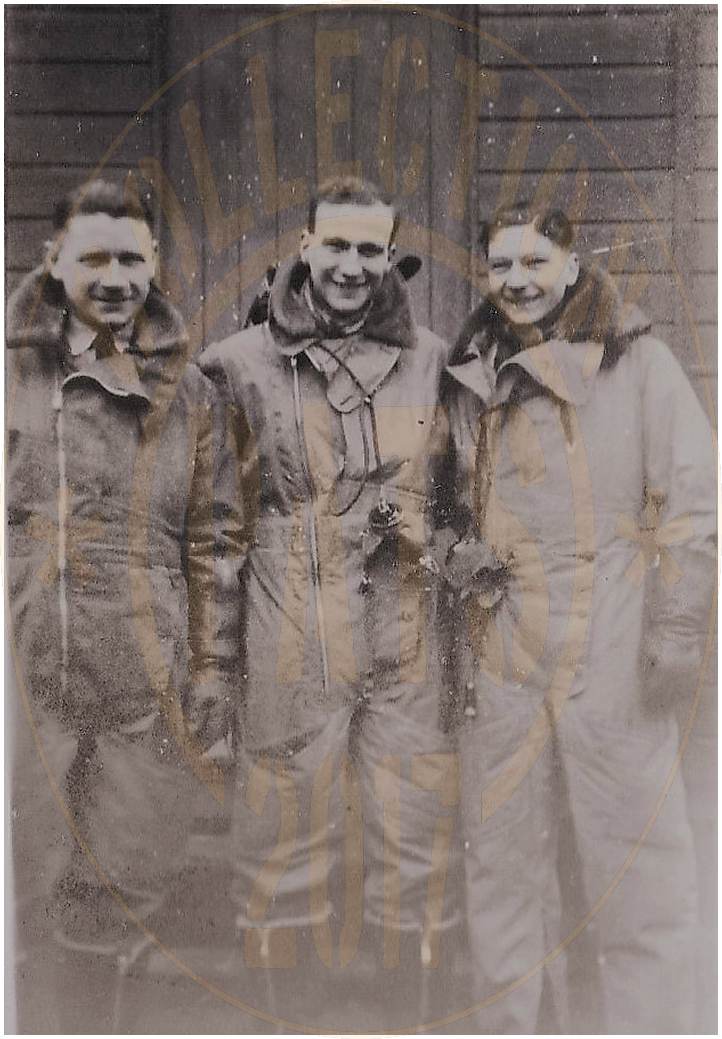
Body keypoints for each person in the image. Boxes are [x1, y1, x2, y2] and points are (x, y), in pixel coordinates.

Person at [443, 203, 716, 1033]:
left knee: (636, 864)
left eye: (535, 263)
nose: (518, 282)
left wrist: (673, 633)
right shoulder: (471, 368)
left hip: (609, 634)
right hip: (504, 641)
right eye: (501, 267)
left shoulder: (640, 364)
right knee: (501, 865)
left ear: (572, 265)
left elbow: (695, 507)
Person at [200, 176, 459, 1029]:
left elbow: (469, 493)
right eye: (336, 245)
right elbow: (208, 516)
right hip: (290, 626)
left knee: (412, 837)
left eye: (369, 249)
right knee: (282, 841)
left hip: (404, 629)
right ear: (304, 245)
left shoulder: (435, 360)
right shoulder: (235, 366)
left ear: (392, 258)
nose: (351, 266)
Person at [7, 179, 243, 1030]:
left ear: (156, 266)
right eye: (94, 256)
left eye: (133, 258)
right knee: (21, 884)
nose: (115, 276)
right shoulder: (11, 372)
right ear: (54, 258)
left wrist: (213, 669)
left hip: (146, 684)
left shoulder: (193, 393)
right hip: (23, 673)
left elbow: (216, 540)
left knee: (122, 887)